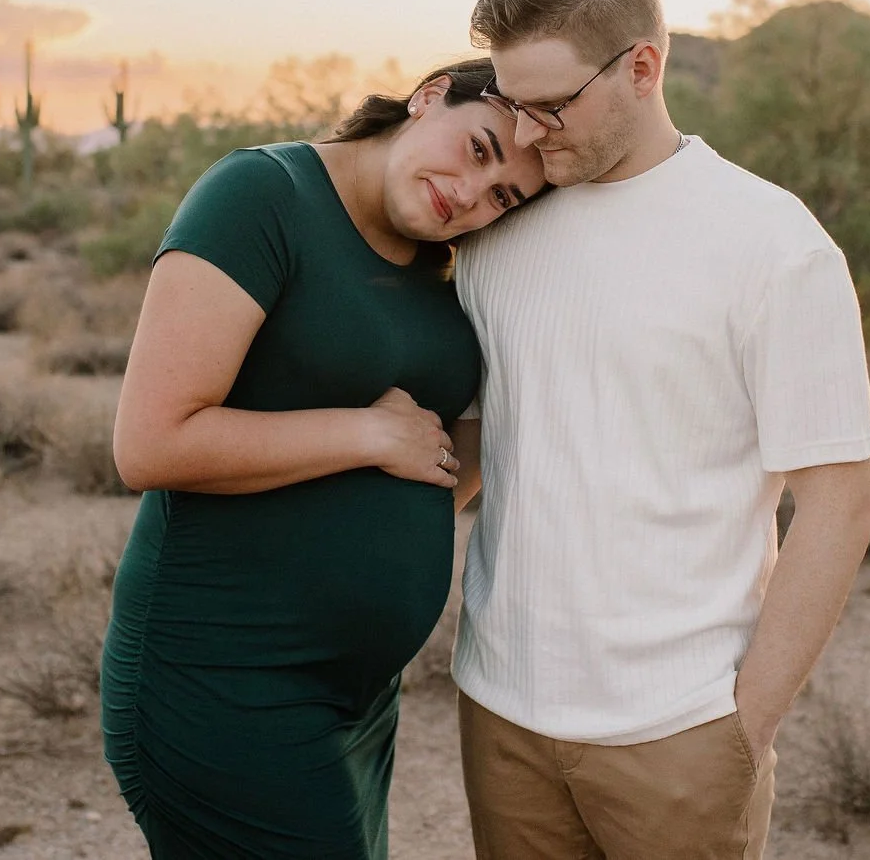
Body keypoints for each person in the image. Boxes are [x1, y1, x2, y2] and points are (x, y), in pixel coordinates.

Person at [448, 0, 870, 860]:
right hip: (500, 712)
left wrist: (742, 727)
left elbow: (839, 503)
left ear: (641, 66)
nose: (524, 134)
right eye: (511, 104)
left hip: (680, 730)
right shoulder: (495, 232)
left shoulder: (772, 243)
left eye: (551, 104)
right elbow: (488, 443)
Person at [101, 58, 548, 860]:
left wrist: (398, 521)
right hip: (222, 676)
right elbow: (150, 440)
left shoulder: (442, 263)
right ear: (430, 95)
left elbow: (450, 445)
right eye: (480, 151)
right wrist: (368, 436)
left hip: (356, 700)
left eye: (502, 197)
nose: (471, 197)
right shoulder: (262, 194)